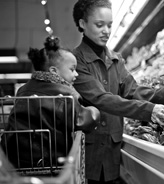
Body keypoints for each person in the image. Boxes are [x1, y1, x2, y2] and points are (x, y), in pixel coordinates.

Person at [72, 0, 164, 184]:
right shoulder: (76, 61)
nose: (106, 31)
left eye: (109, 25)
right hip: (89, 145)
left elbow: (133, 90)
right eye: (99, 25)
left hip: (109, 143)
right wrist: (149, 110)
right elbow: (101, 99)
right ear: (83, 24)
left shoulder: (116, 59)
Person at [1, 36, 100, 168]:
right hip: (48, 160)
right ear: (54, 71)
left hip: (16, 157)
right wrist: (94, 110)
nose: (76, 74)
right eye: (72, 69)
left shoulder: (23, 90)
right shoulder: (66, 94)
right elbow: (85, 120)